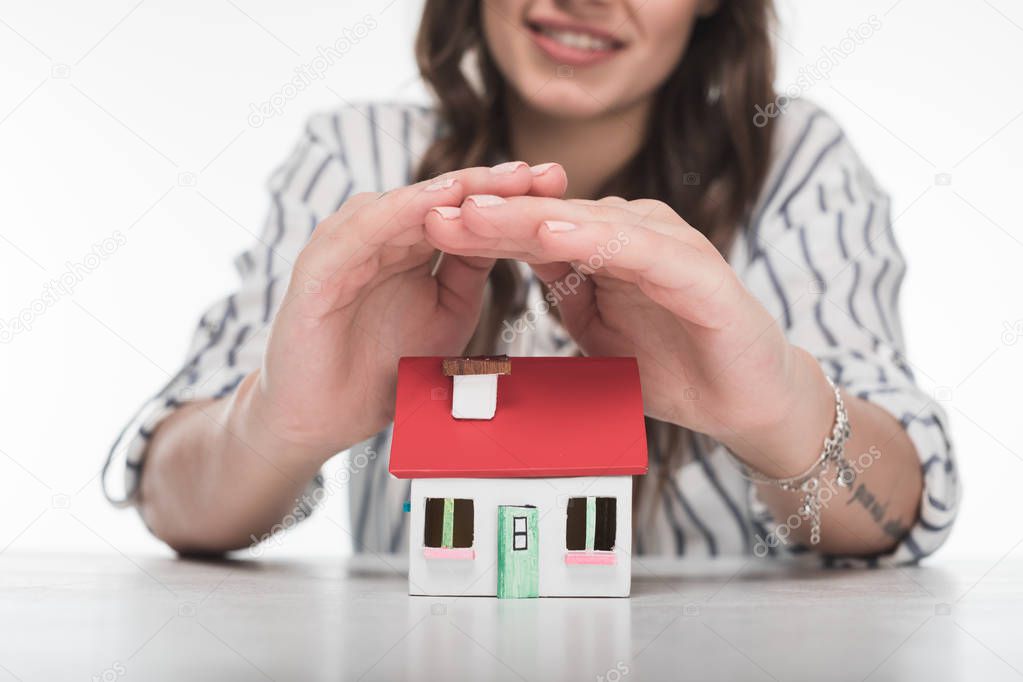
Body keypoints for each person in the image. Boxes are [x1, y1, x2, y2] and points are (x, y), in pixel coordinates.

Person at [103, 0, 958, 563]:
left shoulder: (794, 161)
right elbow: (174, 499)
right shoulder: (355, 158)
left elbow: (894, 510)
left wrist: (780, 411)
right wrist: (275, 427)